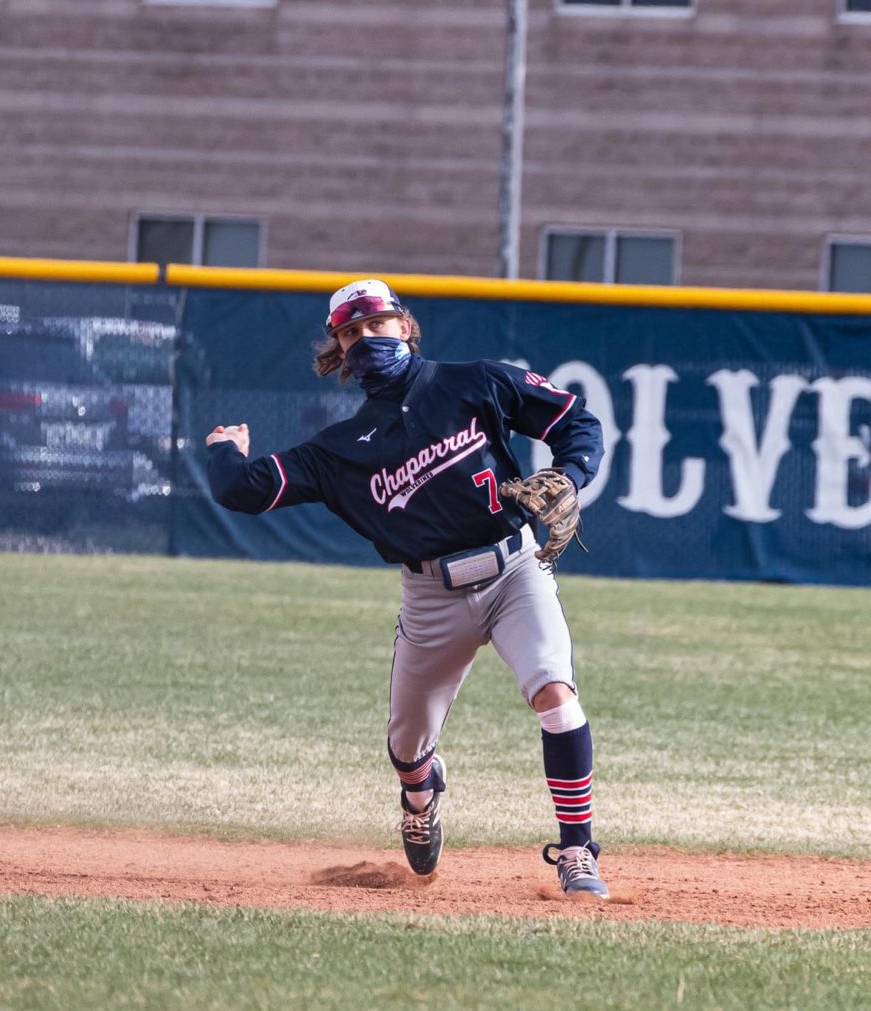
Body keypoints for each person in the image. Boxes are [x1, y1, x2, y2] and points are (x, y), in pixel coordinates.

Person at [205, 279, 609, 899]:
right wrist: (224, 451)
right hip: (431, 599)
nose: (365, 338)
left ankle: (578, 852)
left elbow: (575, 421)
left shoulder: (474, 381)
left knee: (556, 695)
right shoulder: (337, 451)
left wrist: (571, 476)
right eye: (350, 331)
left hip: (514, 572)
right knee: (408, 745)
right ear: (337, 351)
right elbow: (242, 490)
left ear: (405, 325)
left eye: (376, 323)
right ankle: (421, 796)